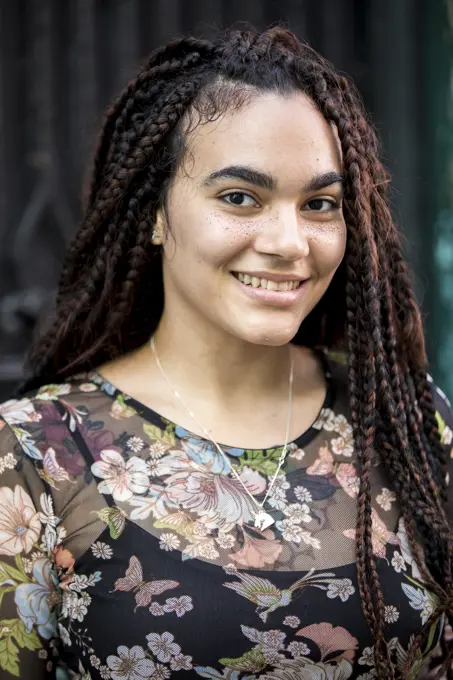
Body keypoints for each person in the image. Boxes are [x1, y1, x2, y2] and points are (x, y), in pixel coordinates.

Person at [0, 24, 452, 680]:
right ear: (154, 213)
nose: (289, 241)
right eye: (240, 197)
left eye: (319, 204)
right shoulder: (40, 457)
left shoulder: (403, 420)